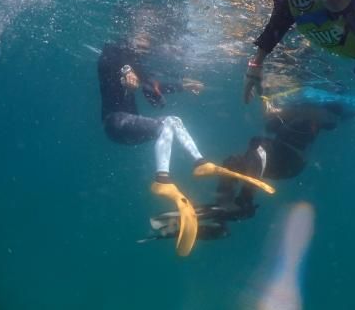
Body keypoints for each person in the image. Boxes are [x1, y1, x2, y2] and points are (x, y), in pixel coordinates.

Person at [99, 33, 274, 256]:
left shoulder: (134, 62)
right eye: (141, 40)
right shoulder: (114, 53)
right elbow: (108, 59)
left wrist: (183, 85)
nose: (146, 45)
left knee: (173, 122)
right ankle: (162, 180)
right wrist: (125, 69)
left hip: (128, 130)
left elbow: (152, 86)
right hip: (114, 123)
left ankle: (200, 163)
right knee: (168, 124)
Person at [140, 87, 355, 245]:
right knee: (233, 161)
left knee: (259, 148)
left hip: (291, 162)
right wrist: (276, 114)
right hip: (274, 157)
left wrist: (289, 112)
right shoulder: (295, 108)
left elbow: (328, 120)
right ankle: (221, 214)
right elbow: (273, 125)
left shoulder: (316, 110)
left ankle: (244, 202)